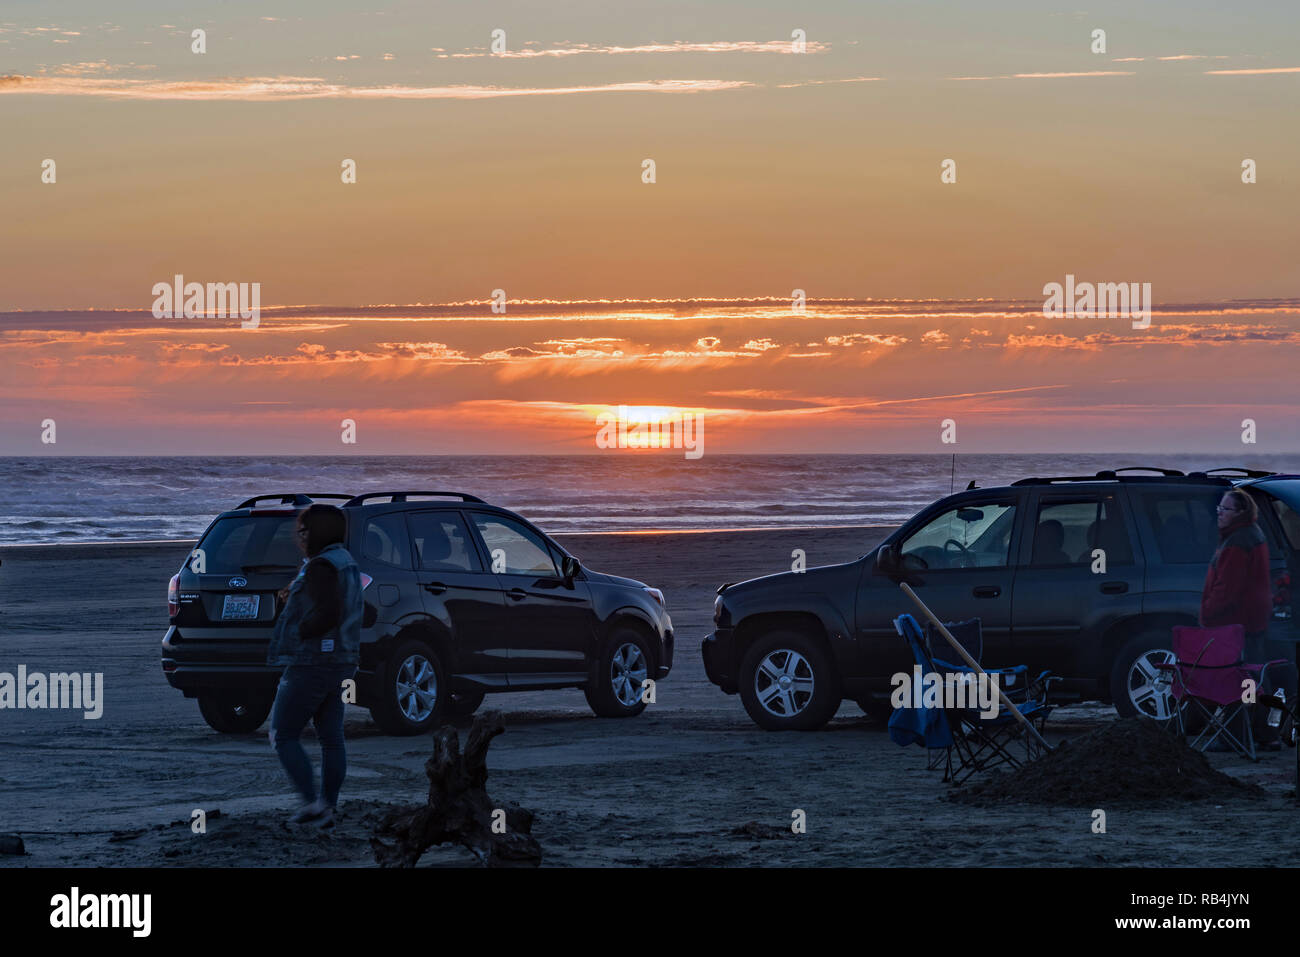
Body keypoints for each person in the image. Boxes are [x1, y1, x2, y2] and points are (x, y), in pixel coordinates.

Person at [267, 504, 363, 826]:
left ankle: (313, 805)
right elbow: (352, 606)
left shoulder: (321, 567)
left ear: (316, 532)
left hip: (313, 661)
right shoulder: (345, 562)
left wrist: (301, 629)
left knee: (282, 734)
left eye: (303, 531)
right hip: (344, 660)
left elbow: (328, 611)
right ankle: (328, 805)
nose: (300, 537)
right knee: (331, 737)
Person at [1199, 489, 1279, 748]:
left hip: (1237, 623)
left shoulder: (1237, 543)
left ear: (1241, 513)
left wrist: (1207, 614)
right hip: (1252, 620)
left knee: (1239, 678)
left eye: (1226, 509)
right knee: (1253, 676)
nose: (1220, 514)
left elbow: (1227, 590)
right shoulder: (1249, 535)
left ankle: (1239, 736)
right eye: (1219, 509)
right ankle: (1262, 734)